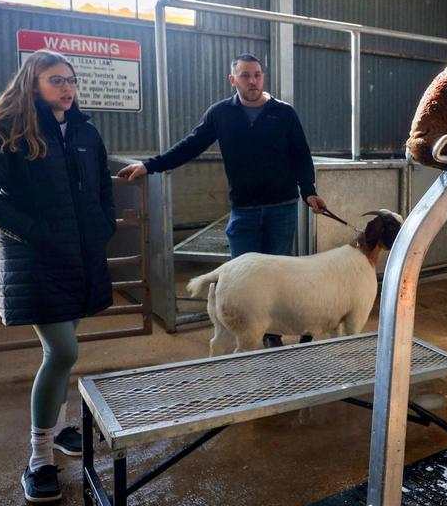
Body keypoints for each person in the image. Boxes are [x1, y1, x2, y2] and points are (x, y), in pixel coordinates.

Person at [0, 50, 116, 505]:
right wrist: (33, 233)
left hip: (80, 257)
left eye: (71, 80)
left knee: (64, 353)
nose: (67, 88)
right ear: (33, 83)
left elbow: (103, 186)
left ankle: (61, 426)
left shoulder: (85, 130)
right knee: (62, 350)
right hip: (37, 260)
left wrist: (103, 224)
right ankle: (39, 458)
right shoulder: (5, 129)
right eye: (56, 80)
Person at [117, 53, 327, 346]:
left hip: (282, 207)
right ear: (233, 80)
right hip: (244, 209)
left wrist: (309, 191)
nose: (252, 81)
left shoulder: (284, 112)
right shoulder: (220, 114)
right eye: (245, 75)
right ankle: (241, 332)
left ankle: (272, 334)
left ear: (263, 77)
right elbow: (190, 146)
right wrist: (149, 165)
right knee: (241, 277)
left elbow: (301, 156)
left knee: (278, 276)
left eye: (256, 74)